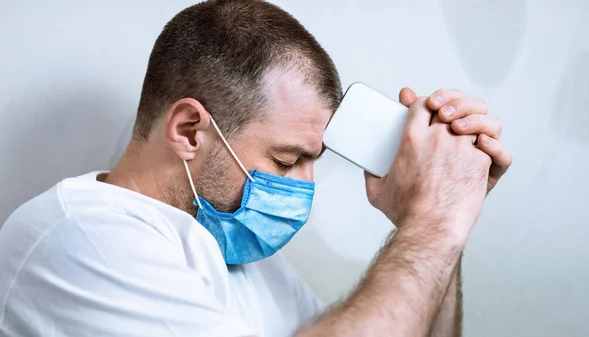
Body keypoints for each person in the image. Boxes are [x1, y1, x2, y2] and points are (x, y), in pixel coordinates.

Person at [0, 1, 512, 336]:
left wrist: (448, 219)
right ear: (189, 132)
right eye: (287, 160)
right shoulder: (80, 234)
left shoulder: (244, 261)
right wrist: (432, 222)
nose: (305, 186)